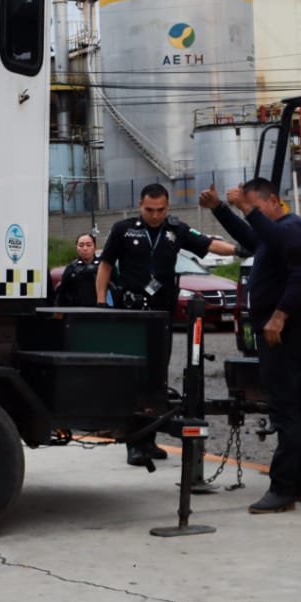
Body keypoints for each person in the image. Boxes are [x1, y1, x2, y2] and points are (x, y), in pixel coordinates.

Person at [96, 183, 233, 465]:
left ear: (167, 207)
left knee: (157, 377)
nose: (155, 216)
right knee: (133, 377)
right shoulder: (124, 229)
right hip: (132, 314)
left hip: (162, 314)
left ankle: (150, 439)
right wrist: (100, 302)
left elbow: (208, 244)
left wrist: (244, 249)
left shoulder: (176, 230)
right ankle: (134, 443)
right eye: (149, 210)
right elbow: (106, 265)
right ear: (140, 204)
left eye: (160, 210)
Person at [199, 179, 301, 514]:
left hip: (283, 332)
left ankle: (283, 490)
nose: (251, 216)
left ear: (273, 201)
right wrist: (221, 209)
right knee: (292, 407)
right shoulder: (273, 234)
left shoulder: (292, 229)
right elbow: (250, 237)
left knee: (284, 409)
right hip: (273, 332)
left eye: (254, 209)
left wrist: (279, 316)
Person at [53, 232, 100, 307]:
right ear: (77, 248)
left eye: (89, 245)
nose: (85, 248)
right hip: (76, 311)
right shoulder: (71, 267)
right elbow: (62, 292)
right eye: (81, 245)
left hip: (100, 311)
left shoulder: (103, 267)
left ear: (95, 247)